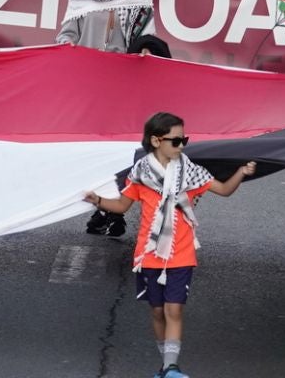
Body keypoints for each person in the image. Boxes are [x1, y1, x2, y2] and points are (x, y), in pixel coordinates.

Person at [82, 113, 257, 378]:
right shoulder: (140, 174)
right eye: (176, 140)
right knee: (157, 310)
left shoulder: (192, 172)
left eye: (184, 139)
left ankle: (171, 367)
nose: (182, 146)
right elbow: (121, 206)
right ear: (156, 140)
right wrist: (97, 201)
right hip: (149, 254)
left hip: (182, 253)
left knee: (173, 309)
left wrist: (241, 173)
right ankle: (165, 366)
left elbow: (222, 190)